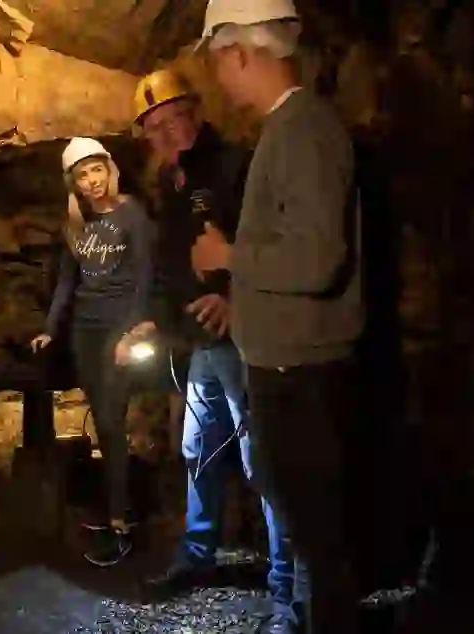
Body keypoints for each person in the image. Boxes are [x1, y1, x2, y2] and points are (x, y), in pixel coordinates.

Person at [191, 2, 365, 633]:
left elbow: (317, 259)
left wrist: (228, 255)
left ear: (240, 52)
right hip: (285, 364)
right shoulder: (286, 129)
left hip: (304, 371)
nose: (220, 77)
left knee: (322, 543)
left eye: (218, 61)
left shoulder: (305, 130)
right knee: (312, 532)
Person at [133, 69, 306, 633]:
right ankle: (198, 555)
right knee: (198, 447)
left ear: (196, 112)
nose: (164, 135)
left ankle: (289, 593)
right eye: (152, 129)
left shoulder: (237, 167)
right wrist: (154, 323)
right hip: (199, 343)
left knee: (265, 461)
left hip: (242, 338)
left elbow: (271, 246)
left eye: (171, 121)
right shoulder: (171, 182)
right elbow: (168, 264)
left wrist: (236, 302)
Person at [30, 137, 154, 567]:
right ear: (74, 184)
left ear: (109, 168)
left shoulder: (131, 213)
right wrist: (50, 329)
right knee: (102, 421)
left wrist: (133, 331)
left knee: (111, 421)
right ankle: (114, 508)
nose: (92, 181)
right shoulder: (76, 224)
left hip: (119, 328)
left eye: (96, 170)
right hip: (86, 329)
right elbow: (68, 281)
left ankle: (121, 521)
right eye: (82, 176)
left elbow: (145, 277)